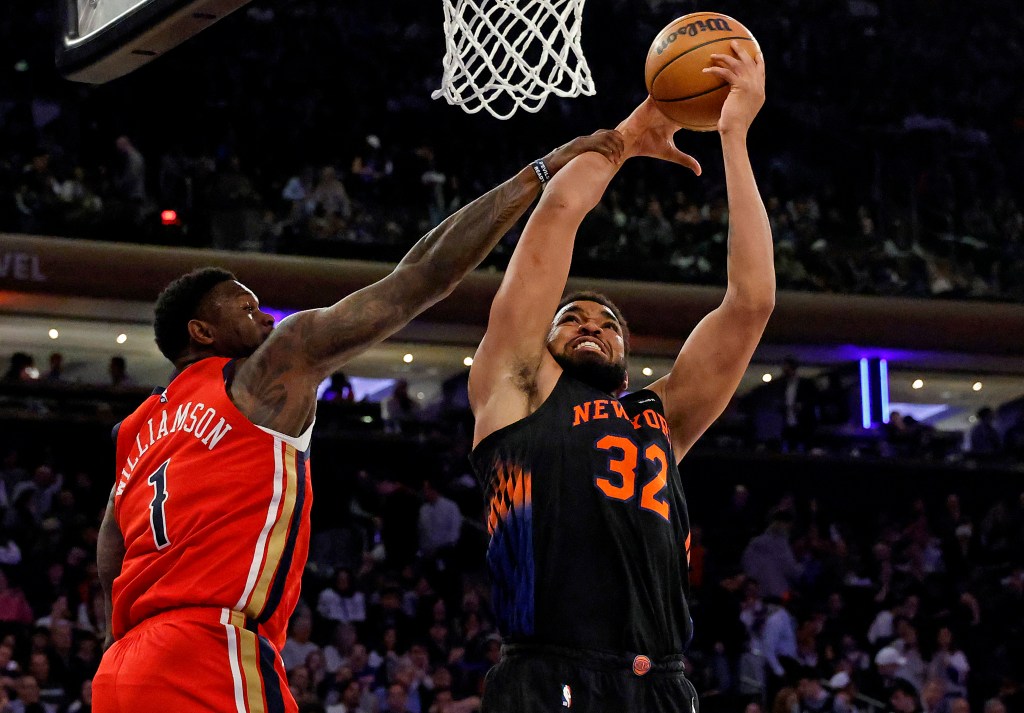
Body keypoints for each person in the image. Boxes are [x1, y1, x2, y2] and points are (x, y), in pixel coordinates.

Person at [92, 131, 621, 713]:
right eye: (247, 309)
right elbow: (422, 276)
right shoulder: (267, 370)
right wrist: (538, 174)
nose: (266, 319)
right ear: (202, 331)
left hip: (123, 667)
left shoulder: (136, 429)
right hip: (206, 647)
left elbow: (110, 557)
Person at [467, 43, 772, 712]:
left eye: (607, 323)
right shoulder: (515, 390)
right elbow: (555, 216)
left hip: (662, 682)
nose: (589, 324)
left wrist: (733, 136)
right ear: (541, 341)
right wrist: (630, 135)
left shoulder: (658, 414)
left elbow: (751, 303)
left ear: (628, 352)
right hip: (548, 675)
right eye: (570, 317)